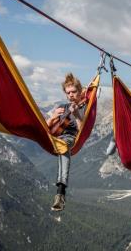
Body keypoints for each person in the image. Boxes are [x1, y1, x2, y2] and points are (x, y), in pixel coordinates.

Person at [46, 73, 85, 211]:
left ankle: (60, 191)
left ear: (80, 92)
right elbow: (47, 127)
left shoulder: (84, 107)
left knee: (64, 147)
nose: (71, 95)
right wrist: (53, 116)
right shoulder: (62, 106)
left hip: (69, 139)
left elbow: (83, 130)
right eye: (68, 93)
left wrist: (76, 115)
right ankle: (61, 192)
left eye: (74, 92)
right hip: (54, 137)